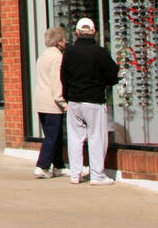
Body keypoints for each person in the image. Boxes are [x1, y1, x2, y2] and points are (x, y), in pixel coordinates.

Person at [60, 17, 120, 185]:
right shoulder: (100, 52)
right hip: (94, 100)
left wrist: (67, 96)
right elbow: (113, 73)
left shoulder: (69, 52)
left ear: (77, 33)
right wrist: (107, 84)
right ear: (94, 32)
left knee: (75, 138)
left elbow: (63, 76)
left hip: (74, 101)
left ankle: (75, 173)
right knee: (97, 138)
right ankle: (97, 175)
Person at [32, 26, 69, 178]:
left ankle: (58, 164)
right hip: (51, 102)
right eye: (63, 39)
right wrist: (62, 101)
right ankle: (42, 165)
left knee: (54, 134)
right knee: (53, 135)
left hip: (40, 100)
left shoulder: (43, 56)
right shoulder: (57, 58)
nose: (66, 41)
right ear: (58, 42)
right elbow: (56, 82)